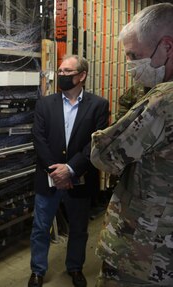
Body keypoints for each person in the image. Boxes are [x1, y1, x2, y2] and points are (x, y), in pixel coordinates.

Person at [90, 3, 173, 286]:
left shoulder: (163, 100)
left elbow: (104, 156)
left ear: (167, 47)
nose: (129, 66)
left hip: (143, 255)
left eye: (133, 56)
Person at [29, 55, 109, 287]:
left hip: (79, 179)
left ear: (81, 75)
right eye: (60, 71)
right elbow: (39, 139)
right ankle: (37, 271)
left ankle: (75, 268)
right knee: (41, 228)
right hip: (49, 177)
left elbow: (96, 143)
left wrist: (71, 169)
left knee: (78, 229)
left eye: (67, 72)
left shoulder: (98, 105)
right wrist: (56, 172)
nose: (62, 75)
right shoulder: (45, 103)